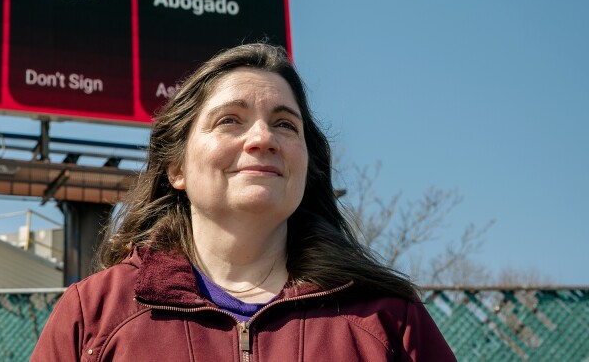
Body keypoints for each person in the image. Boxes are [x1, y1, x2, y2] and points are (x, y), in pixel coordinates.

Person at [32, 43, 455, 361]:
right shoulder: (93, 315)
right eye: (229, 120)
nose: (263, 139)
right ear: (175, 168)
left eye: (285, 124)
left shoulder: (390, 321)